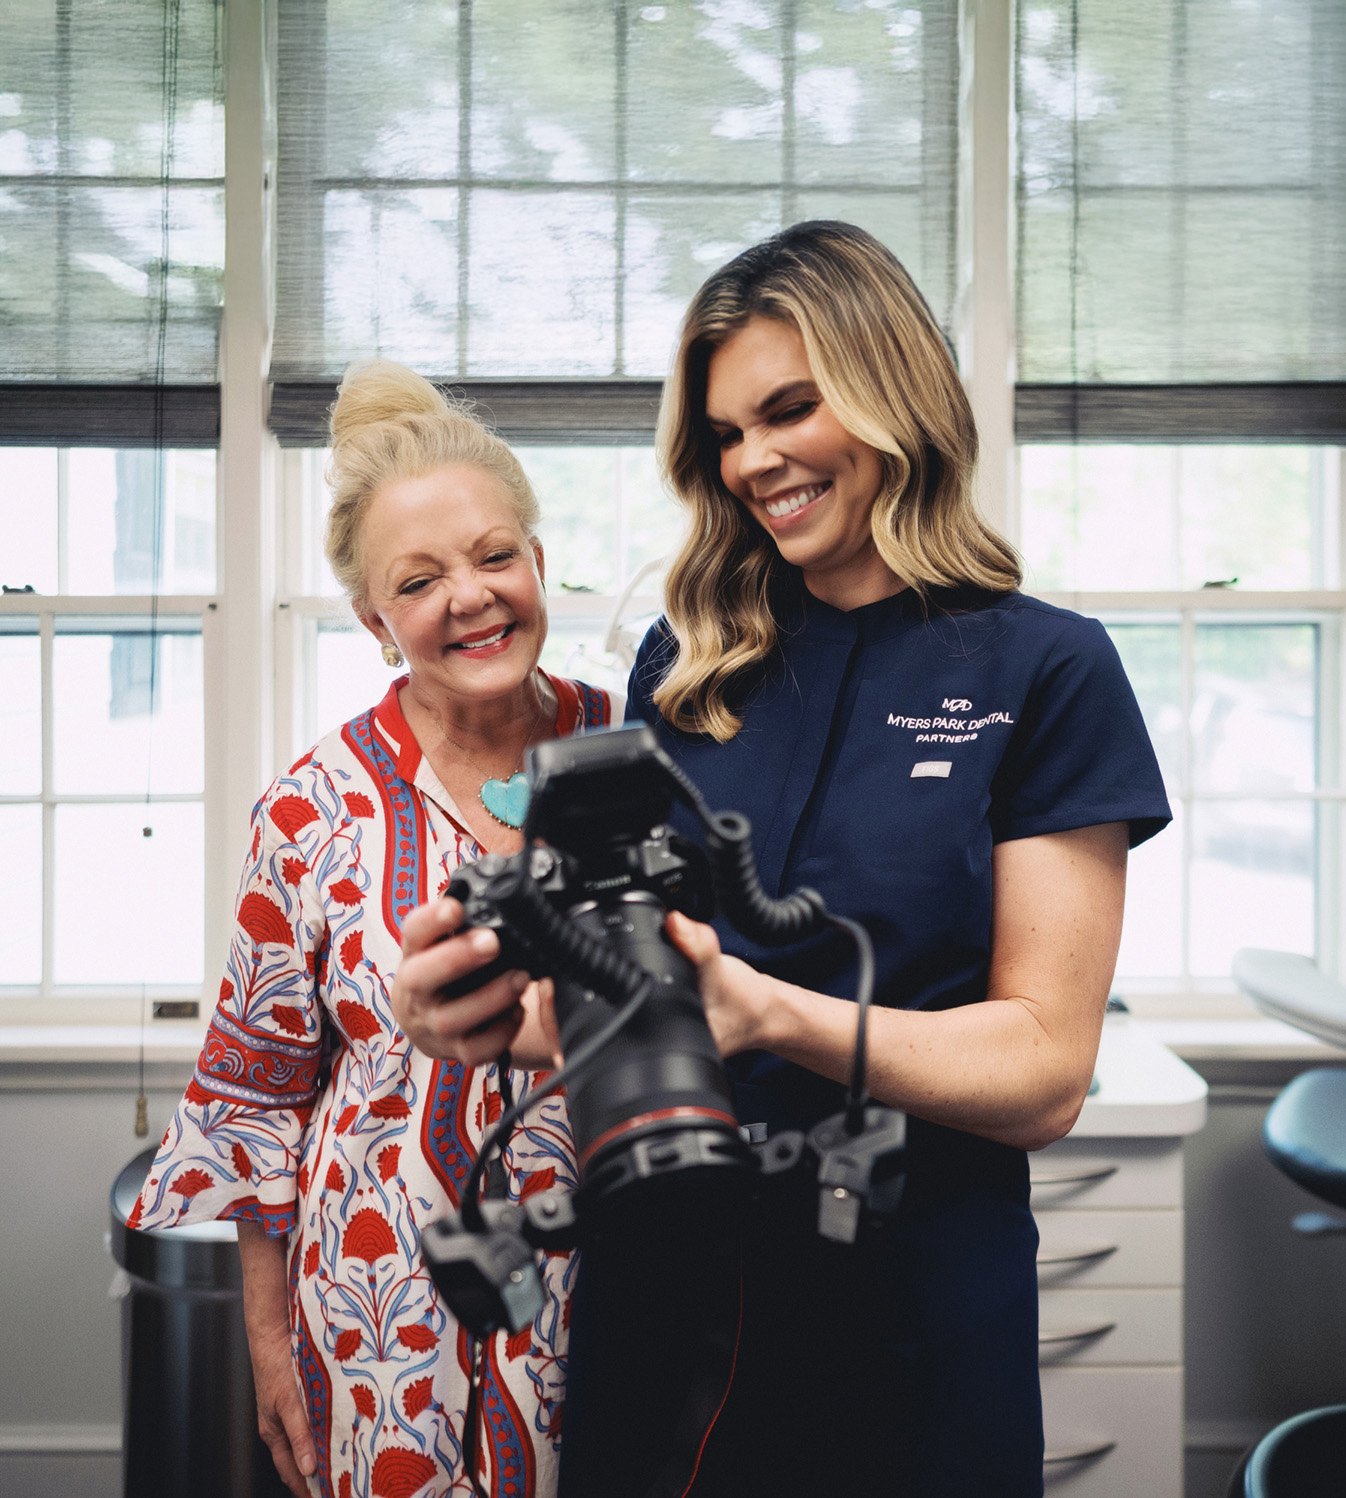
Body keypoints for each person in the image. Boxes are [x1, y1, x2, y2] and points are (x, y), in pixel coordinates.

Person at [393, 221, 1171, 1497]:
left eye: (788, 410)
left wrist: (770, 1013)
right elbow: (636, 988)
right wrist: (486, 1012)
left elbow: (1044, 1067)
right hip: (668, 1289)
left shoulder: (1048, 670)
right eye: (723, 434)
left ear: (889, 392)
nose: (753, 460)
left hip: (914, 1297)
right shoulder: (686, 663)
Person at [131, 361, 617, 1498]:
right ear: (375, 618)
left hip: (618, 1289)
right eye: (422, 578)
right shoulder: (309, 809)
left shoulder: (643, 753)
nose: (472, 596)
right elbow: (260, 1092)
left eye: (496, 556)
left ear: (539, 563)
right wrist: (269, 1339)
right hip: (381, 1321)